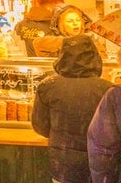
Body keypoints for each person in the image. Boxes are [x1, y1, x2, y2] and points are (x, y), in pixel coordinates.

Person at [33, 34, 112, 183]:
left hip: (63, 165)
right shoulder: (108, 89)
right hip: (99, 165)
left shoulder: (48, 86)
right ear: (95, 57)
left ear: (62, 57)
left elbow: (40, 127)